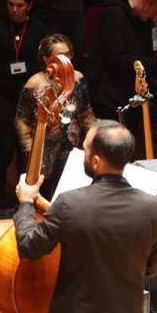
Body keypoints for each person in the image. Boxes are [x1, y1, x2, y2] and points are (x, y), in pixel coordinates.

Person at [14, 121, 157, 313]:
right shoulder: (154, 208)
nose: (82, 154)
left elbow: (29, 245)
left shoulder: (70, 204)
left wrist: (26, 204)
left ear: (96, 161)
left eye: (84, 150)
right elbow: (152, 268)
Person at [0, 0, 47, 208]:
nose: (14, 9)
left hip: (29, 98)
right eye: (10, 5)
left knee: (24, 150)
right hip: (3, 96)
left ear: (29, 6)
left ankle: (21, 196)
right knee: (5, 146)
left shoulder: (39, 29)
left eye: (19, 5)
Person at [16, 34, 95, 198]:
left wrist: (94, 140)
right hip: (43, 150)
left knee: (70, 194)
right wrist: (30, 150)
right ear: (46, 59)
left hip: (71, 147)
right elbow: (21, 120)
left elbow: (86, 113)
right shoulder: (34, 84)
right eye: (60, 56)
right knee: (42, 197)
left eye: (68, 55)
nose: (66, 60)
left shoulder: (78, 79)